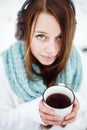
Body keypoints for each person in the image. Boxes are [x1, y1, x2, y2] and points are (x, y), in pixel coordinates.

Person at [0, 0, 83, 130]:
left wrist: (76, 106)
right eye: (41, 36)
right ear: (25, 32)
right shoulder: (4, 67)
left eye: (60, 37)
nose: (52, 50)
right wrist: (34, 111)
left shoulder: (76, 61)